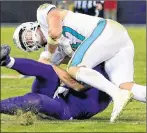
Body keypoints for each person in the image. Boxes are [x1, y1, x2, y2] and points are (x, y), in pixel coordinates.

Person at [13, 3, 146, 122]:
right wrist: (50, 66)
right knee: (125, 86)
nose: (31, 41)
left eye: (27, 37)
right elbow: (72, 81)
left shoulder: (42, 13)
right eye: (27, 44)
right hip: (117, 43)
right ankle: (120, 92)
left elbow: (55, 32)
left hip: (107, 29)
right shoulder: (56, 53)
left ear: (30, 26)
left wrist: (47, 55)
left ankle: (116, 94)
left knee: (74, 67)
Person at [0, 44, 111, 123]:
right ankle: (7, 61)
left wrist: (54, 65)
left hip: (65, 110)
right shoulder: (97, 59)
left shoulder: (115, 79)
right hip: (58, 94)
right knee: (48, 70)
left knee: (36, 100)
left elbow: (79, 87)